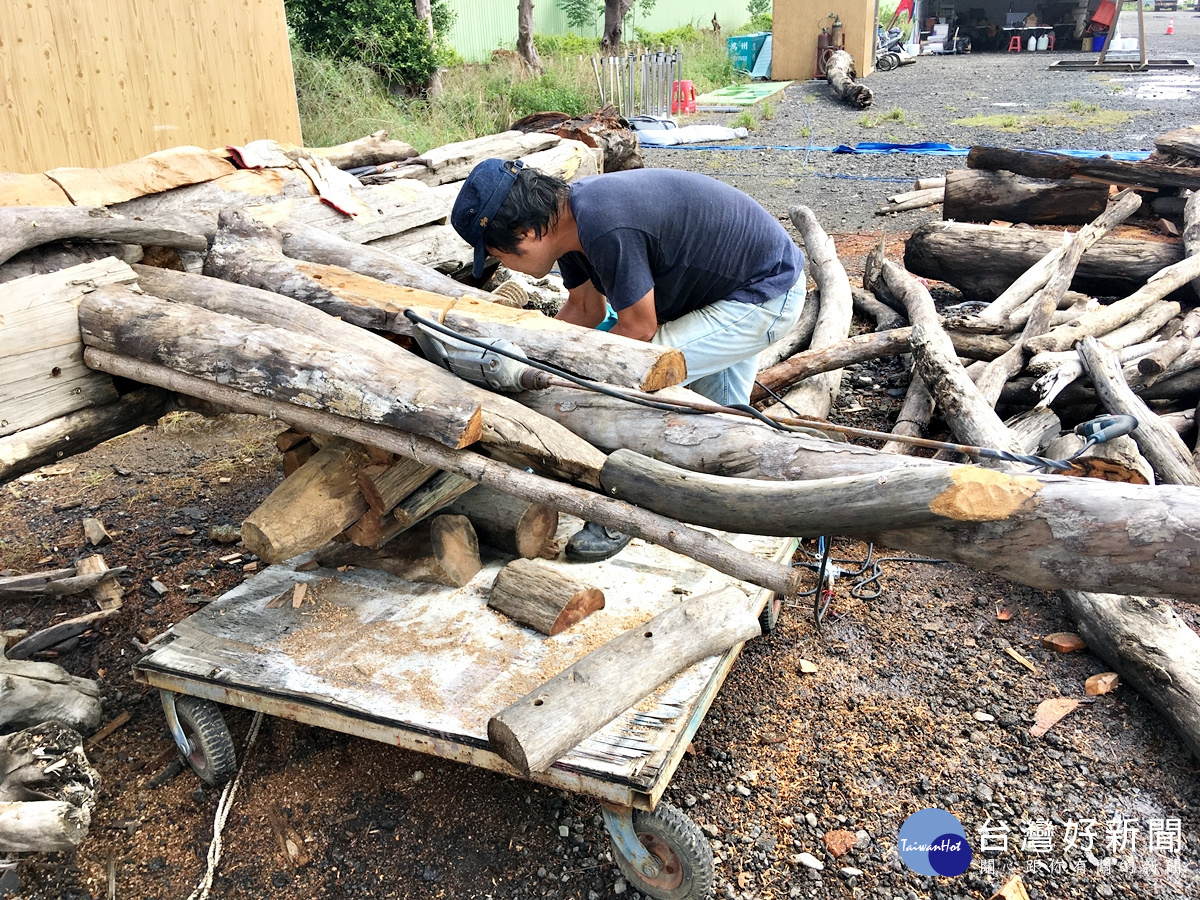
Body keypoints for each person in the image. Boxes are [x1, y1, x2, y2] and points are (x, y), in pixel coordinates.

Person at [450, 159, 806, 560]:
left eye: (499, 254)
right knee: (722, 418)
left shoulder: (604, 224)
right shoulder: (568, 222)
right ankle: (770, 492)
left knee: (627, 382)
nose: (503, 265)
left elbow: (638, 331)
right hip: (723, 291)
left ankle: (626, 503)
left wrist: (571, 382)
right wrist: (527, 355)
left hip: (763, 294)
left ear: (527, 233)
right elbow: (585, 309)